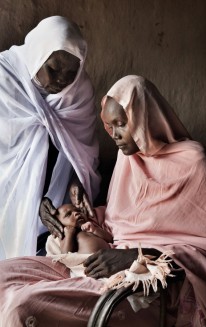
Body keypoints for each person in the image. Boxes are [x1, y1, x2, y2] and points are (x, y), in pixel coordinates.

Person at [0, 75, 206, 327]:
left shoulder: (192, 162)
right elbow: (123, 221)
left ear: (145, 117)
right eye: (110, 126)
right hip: (100, 260)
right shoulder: (128, 159)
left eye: (122, 124)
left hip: (147, 281)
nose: (114, 134)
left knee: (24, 307)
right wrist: (87, 215)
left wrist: (137, 256)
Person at [0, 16, 100, 260]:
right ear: (37, 54)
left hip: (57, 204)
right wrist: (30, 203)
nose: (61, 80)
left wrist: (75, 182)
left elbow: (82, 152)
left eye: (71, 72)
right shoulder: (4, 78)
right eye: (53, 69)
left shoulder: (80, 92)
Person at [46, 203, 112, 255]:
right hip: (89, 264)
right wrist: (69, 235)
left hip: (109, 257)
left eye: (78, 210)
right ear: (59, 224)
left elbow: (110, 239)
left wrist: (95, 230)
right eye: (68, 214)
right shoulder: (66, 235)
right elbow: (66, 254)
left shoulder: (90, 226)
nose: (76, 213)